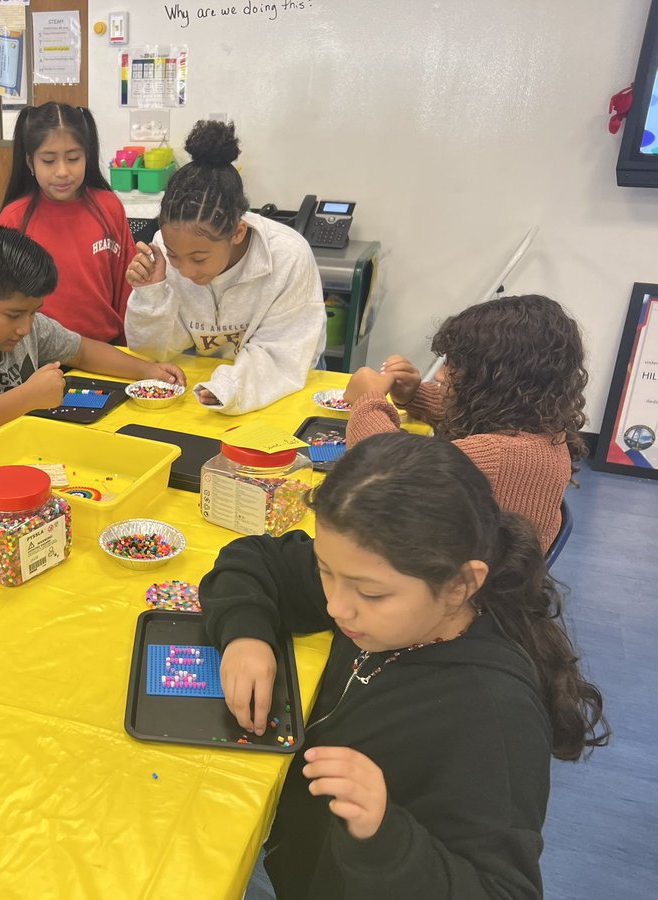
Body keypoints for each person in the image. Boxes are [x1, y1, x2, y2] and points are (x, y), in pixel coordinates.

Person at [201, 431, 607, 899]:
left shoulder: (494, 718)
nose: (336, 607)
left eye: (370, 593)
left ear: (460, 585)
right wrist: (246, 634)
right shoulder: (375, 589)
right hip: (295, 842)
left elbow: (502, 891)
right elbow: (255, 557)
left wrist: (386, 835)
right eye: (324, 571)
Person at [343, 294, 587, 549]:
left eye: (454, 367)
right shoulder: (540, 423)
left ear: (495, 383)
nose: (439, 375)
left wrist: (367, 402)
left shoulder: (500, 456)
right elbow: (470, 411)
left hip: (470, 584)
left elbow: (379, 469)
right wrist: (413, 394)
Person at [0, 227, 185, 446]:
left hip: (25, 451)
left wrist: (147, 370)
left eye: (33, 313)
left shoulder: (28, 324)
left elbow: (82, 351)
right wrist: (26, 398)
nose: (26, 328)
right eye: (13, 315)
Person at [124, 120, 325, 415]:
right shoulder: (163, 252)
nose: (186, 271)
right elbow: (153, 354)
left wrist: (230, 386)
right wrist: (150, 294)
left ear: (238, 233)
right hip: (206, 385)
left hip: (277, 387)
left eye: (199, 258)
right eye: (175, 256)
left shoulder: (288, 256)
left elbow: (284, 356)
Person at [0, 102, 135, 344]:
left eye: (73, 158)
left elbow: (128, 289)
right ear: (30, 163)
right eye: (48, 161)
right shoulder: (14, 219)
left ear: (86, 156)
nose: (62, 171)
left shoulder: (109, 207)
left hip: (106, 353)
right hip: (42, 355)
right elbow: (1, 300)